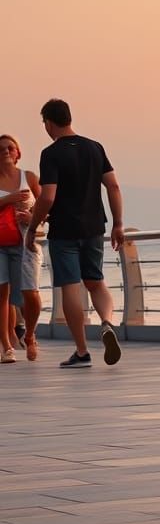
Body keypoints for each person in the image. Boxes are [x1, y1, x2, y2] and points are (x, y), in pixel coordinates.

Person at [22, 99, 125, 368]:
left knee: (70, 286)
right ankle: (106, 322)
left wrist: (33, 226)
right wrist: (118, 224)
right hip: (94, 227)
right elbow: (113, 186)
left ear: (48, 122)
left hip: (64, 230)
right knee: (96, 282)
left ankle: (81, 352)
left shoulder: (51, 154)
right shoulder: (94, 147)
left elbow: (48, 197)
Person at [0, 134, 42, 362]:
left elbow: (48, 204)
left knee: (30, 293)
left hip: (25, 241)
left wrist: (33, 217)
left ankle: (31, 335)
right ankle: (6, 347)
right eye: (1, 149)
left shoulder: (29, 177)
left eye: (10, 148)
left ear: (18, 153)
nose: (5, 151)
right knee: (1, 294)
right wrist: (8, 199)